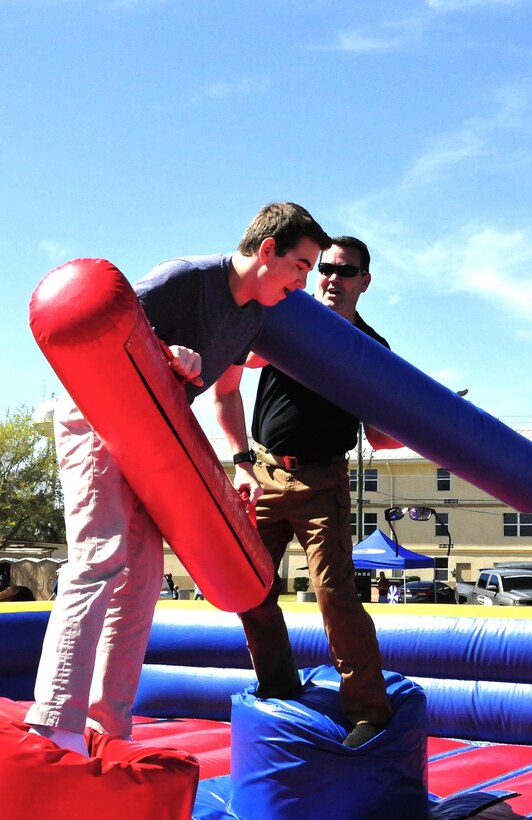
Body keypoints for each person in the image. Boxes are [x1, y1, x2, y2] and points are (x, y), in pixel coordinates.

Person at [25, 202, 331, 757]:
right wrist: (168, 352)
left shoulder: (249, 318)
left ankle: (108, 727)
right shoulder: (186, 277)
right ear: (267, 251)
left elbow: (224, 393)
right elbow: (105, 337)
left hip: (155, 439)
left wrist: (240, 462)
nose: (303, 281)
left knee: (141, 582)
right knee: (101, 556)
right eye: (301, 265)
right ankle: (53, 718)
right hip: (98, 419)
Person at [213, 235, 401, 748]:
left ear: (365, 280)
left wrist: (438, 419)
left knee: (335, 593)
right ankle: (279, 686)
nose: (332, 278)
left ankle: (368, 710)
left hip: (324, 482)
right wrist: (242, 463)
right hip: (266, 474)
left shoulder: (372, 349)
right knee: (249, 587)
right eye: (326, 269)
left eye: (346, 271)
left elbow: (380, 437)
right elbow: (229, 378)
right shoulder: (283, 317)